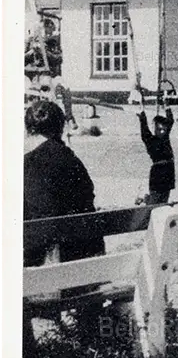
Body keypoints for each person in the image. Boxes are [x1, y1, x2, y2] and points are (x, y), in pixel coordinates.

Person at [24, 100, 105, 267]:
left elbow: (41, 221)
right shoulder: (73, 160)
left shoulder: (31, 163)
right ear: (60, 129)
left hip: (52, 268)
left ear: (29, 130)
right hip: (87, 261)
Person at [136, 106, 176, 205]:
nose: (162, 131)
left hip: (169, 170)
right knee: (154, 202)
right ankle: (145, 198)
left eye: (164, 129)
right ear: (155, 128)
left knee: (164, 201)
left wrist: (167, 107)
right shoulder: (150, 140)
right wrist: (142, 117)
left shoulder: (165, 136)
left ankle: (144, 198)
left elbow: (170, 121)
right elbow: (144, 130)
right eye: (159, 129)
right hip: (158, 171)